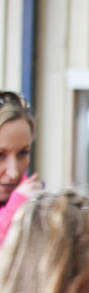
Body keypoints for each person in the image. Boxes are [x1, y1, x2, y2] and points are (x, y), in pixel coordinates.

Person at [0, 91, 44, 242]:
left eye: (23, 153)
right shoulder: (19, 202)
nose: (13, 172)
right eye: (0, 155)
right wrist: (15, 209)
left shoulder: (34, 205)